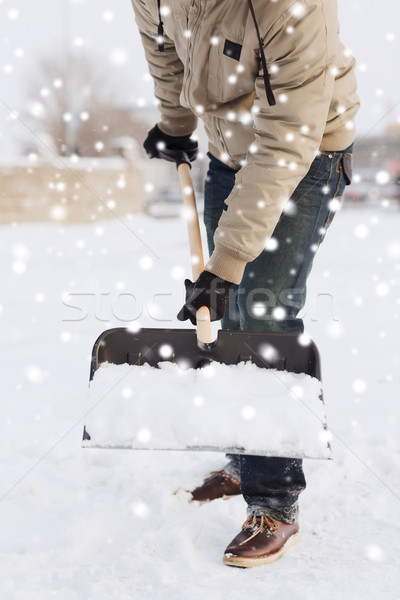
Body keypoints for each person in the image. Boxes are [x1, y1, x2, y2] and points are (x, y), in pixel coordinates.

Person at [131, 0, 359, 567]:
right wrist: (175, 123)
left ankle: (275, 502)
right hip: (230, 151)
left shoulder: (290, 7)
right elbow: (167, 54)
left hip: (304, 156)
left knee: (261, 319)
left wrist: (226, 261)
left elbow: (287, 141)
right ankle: (247, 458)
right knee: (228, 321)